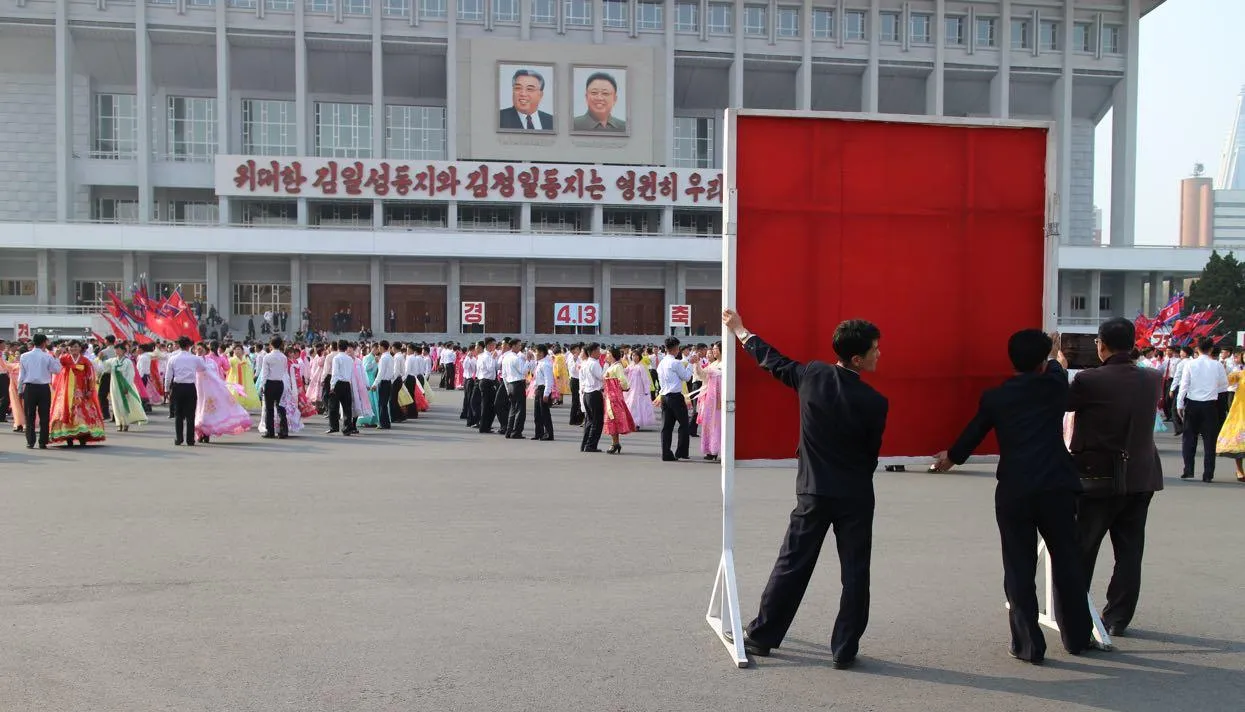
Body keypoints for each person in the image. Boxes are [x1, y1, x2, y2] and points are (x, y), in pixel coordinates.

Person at [723, 309, 887, 670]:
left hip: (814, 490)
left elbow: (772, 361)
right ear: (857, 358)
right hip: (856, 494)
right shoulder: (876, 402)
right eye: (875, 349)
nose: (879, 354)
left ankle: (764, 636)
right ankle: (844, 648)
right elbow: (870, 454)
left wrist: (740, 330)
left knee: (793, 563)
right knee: (856, 572)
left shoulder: (812, 375)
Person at [933, 329, 1092, 664]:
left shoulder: (996, 397)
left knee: (1018, 567)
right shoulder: (1054, 386)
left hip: (1016, 489)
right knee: (1068, 563)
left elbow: (975, 431)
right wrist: (1050, 351)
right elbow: (1056, 368)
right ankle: (1077, 637)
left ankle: (1028, 645)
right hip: (1057, 487)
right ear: (1042, 359)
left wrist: (952, 457)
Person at [1068, 317, 1165, 638]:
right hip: (1140, 475)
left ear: (1101, 345)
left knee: (1083, 549)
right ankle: (1117, 617)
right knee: (1129, 552)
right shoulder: (1152, 378)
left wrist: (1058, 365)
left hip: (1099, 478)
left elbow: (1063, 403)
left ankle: (1076, 613)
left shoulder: (1089, 380)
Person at [1177, 338, 1229, 482]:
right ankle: (1208, 474)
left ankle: (1188, 470)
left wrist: (1179, 404)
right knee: (1210, 441)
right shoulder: (1217, 365)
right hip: (1210, 405)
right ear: (1211, 349)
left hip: (1192, 404)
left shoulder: (1190, 364)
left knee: (1189, 438)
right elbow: (1223, 387)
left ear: (1197, 349)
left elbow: (1184, 385)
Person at [49, 340, 108, 447]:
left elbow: (90, 375)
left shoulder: (85, 360)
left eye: (76, 347)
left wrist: (90, 390)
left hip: (81, 390)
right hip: (66, 391)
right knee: (66, 411)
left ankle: (83, 436)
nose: (74, 349)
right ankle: (68, 438)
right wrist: (56, 356)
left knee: (82, 412)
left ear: (80, 348)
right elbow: (55, 367)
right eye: (71, 347)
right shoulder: (64, 359)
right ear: (68, 348)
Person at [17, 333, 62, 449]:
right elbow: (57, 370)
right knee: (44, 416)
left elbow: (22, 375)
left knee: (29, 415)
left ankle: (30, 441)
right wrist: (56, 358)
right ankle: (43, 441)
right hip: (43, 388)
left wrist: (19, 389)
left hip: (29, 388)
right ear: (44, 343)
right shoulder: (47, 356)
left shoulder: (24, 356)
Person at [164, 336, 207, 446]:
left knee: (178, 414)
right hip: (190, 387)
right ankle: (190, 440)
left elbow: (168, 376)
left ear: (179, 345)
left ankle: (179, 439)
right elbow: (203, 368)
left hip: (177, 387)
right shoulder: (194, 358)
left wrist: (166, 389)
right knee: (190, 415)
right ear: (189, 346)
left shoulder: (173, 358)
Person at [656, 337, 693, 461]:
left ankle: (666, 453)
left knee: (666, 427)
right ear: (676, 348)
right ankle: (681, 451)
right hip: (675, 396)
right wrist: (691, 364)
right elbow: (687, 377)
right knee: (684, 424)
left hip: (664, 396)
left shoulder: (661, 363)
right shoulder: (675, 363)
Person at [601, 347, 635, 454]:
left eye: (608, 354)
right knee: (611, 420)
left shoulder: (617, 366)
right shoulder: (612, 366)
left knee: (612, 419)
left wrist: (624, 387)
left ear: (613, 355)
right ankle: (615, 442)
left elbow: (623, 380)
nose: (606, 356)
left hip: (613, 398)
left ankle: (615, 443)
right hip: (609, 397)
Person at [257, 335, 291, 439]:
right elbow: (285, 371)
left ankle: (270, 431)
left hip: (270, 383)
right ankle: (283, 431)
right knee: (280, 407)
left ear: (271, 345)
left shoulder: (267, 357)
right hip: (280, 383)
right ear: (281, 345)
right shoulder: (284, 357)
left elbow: (265, 374)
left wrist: (262, 386)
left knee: (269, 408)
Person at [578, 343, 606, 453]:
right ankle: (591, 445)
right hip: (594, 393)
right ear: (593, 352)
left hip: (587, 393)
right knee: (597, 422)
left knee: (589, 421)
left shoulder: (585, 363)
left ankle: (585, 444)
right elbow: (602, 377)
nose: (600, 353)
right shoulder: (594, 364)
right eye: (598, 351)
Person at [531, 344, 555, 442]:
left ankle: (548, 434)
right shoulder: (540, 363)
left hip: (543, 389)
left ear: (541, 353)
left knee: (544, 413)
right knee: (537, 414)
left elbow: (548, 380)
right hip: (539, 389)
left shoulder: (546, 364)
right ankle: (539, 433)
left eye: (536, 352)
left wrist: (546, 393)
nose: (535, 354)